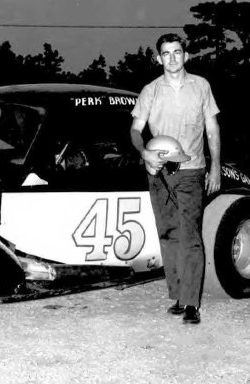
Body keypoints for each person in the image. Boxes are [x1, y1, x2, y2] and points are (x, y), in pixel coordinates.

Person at [130, 33, 221, 324]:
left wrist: (215, 165)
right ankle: (180, 297)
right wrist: (144, 152)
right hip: (158, 171)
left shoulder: (201, 86)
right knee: (169, 234)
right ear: (158, 58)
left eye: (177, 52)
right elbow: (135, 129)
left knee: (190, 235)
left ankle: (192, 303)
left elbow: (212, 128)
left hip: (191, 169)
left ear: (186, 55)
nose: (172, 58)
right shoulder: (150, 91)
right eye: (166, 53)